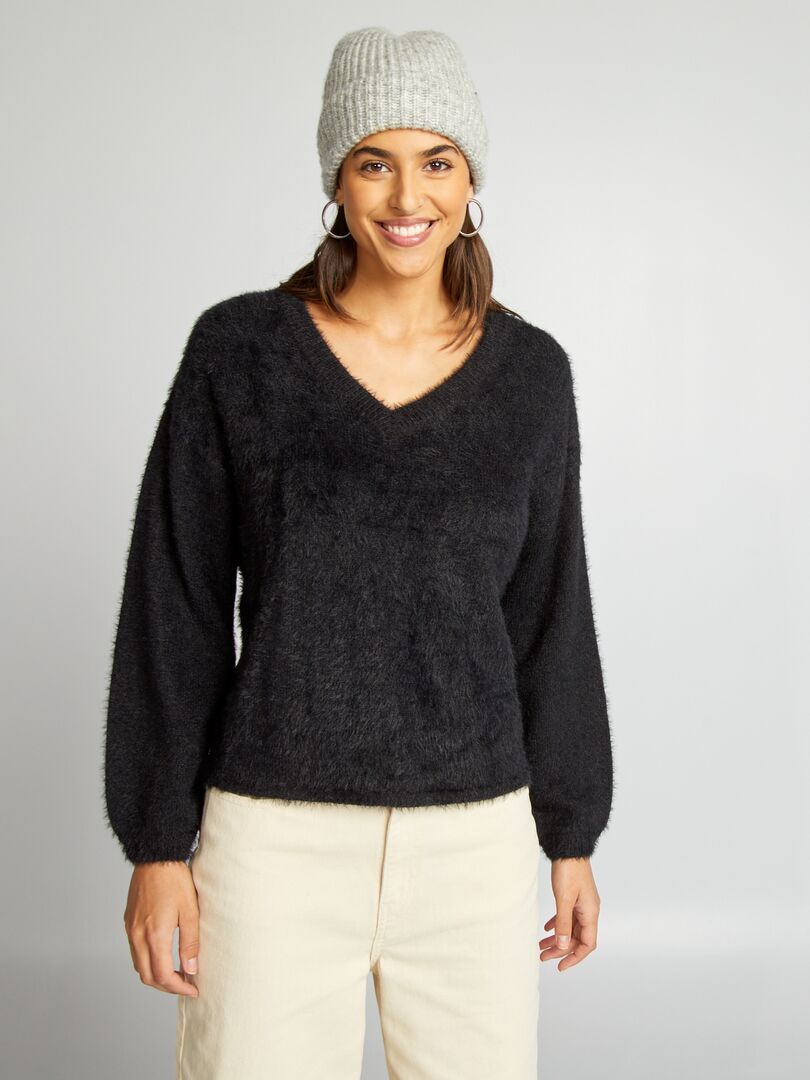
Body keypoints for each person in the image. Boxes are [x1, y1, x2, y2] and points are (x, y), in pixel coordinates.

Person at [103, 26, 614, 1080]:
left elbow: (550, 613)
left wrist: (572, 833)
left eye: (438, 161)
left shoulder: (531, 376)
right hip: (272, 841)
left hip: (473, 845)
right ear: (337, 179)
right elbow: (175, 602)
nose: (406, 195)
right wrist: (157, 844)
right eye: (374, 162)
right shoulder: (240, 353)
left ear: (472, 180)